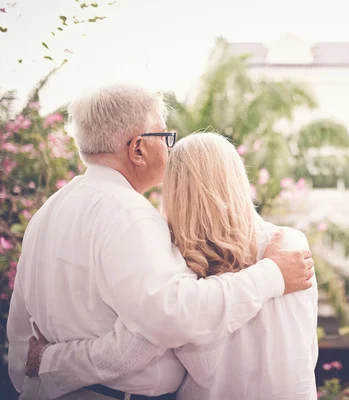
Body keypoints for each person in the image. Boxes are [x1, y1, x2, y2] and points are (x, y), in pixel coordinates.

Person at [7, 84, 314, 400]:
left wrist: (45, 363)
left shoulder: (47, 212)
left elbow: (20, 344)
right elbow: (166, 323)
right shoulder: (131, 215)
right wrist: (272, 274)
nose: (170, 150)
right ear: (137, 149)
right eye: (165, 137)